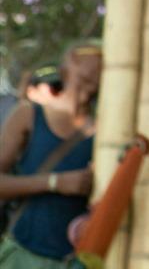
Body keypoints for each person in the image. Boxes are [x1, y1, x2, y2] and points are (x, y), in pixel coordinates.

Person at [0, 40, 102, 267]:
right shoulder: (28, 115)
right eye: (96, 54)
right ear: (72, 60)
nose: (102, 64)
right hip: (21, 256)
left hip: (72, 262)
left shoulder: (105, 134)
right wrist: (55, 182)